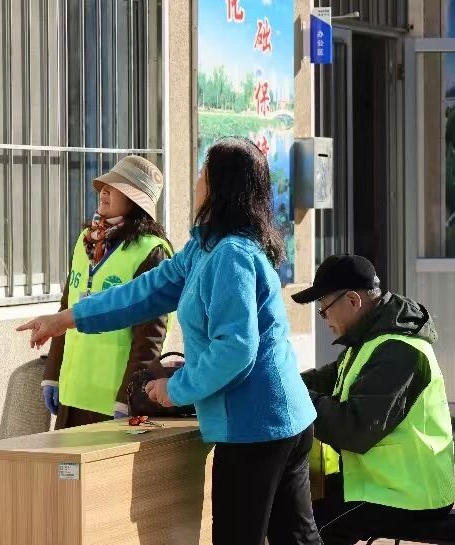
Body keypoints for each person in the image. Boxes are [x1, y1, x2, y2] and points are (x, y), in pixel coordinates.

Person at [19, 137, 321, 545]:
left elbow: (235, 348)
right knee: (297, 539)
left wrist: (176, 389)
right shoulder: (206, 248)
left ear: (220, 186)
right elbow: (143, 292)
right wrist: (67, 319)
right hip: (280, 419)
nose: (196, 181)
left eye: (202, 173)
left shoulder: (231, 254)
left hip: (256, 426)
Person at [292, 255, 455, 544]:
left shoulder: (398, 351)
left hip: (407, 494)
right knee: (297, 504)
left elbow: (353, 429)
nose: (323, 319)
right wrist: (278, 383)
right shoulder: (371, 342)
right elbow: (321, 380)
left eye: (324, 309)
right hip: (383, 484)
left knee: (304, 526)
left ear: (352, 301)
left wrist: (292, 398)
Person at [41, 155, 172, 429]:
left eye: (116, 187)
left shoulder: (152, 251)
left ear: (135, 200)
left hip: (111, 403)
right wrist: (52, 373)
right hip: (72, 395)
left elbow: (150, 335)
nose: (104, 190)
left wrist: (130, 396)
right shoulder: (86, 240)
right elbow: (66, 308)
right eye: (105, 185)